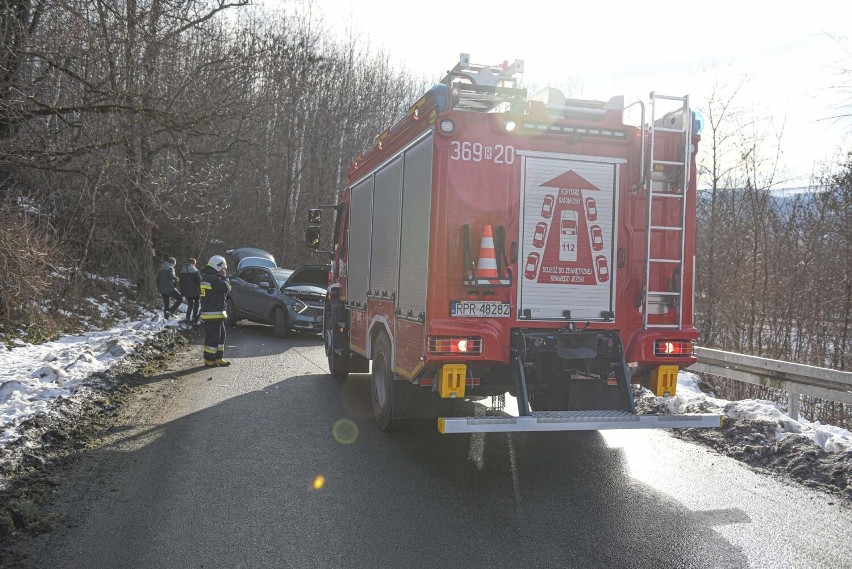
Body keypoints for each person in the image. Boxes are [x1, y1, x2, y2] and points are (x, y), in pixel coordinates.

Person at [200, 255, 232, 367]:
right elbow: (226, 288)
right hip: (212, 313)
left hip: (216, 312)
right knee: (213, 337)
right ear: (218, 267)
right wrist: (224, 277)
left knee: (221, 335)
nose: (224, 271)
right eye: (223, 269)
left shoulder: (210, 277)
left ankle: (218, 357)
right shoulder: (212, 278)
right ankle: (209, 359)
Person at [179, 258, 202, 324]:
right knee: (196, 304)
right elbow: (199, 281)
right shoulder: (195, 271)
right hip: (195, 291)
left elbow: (181, 282)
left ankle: (187, 317)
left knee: (190, 304)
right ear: (193, 263)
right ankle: (194, 317)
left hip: (186, 292)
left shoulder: (182, 271)